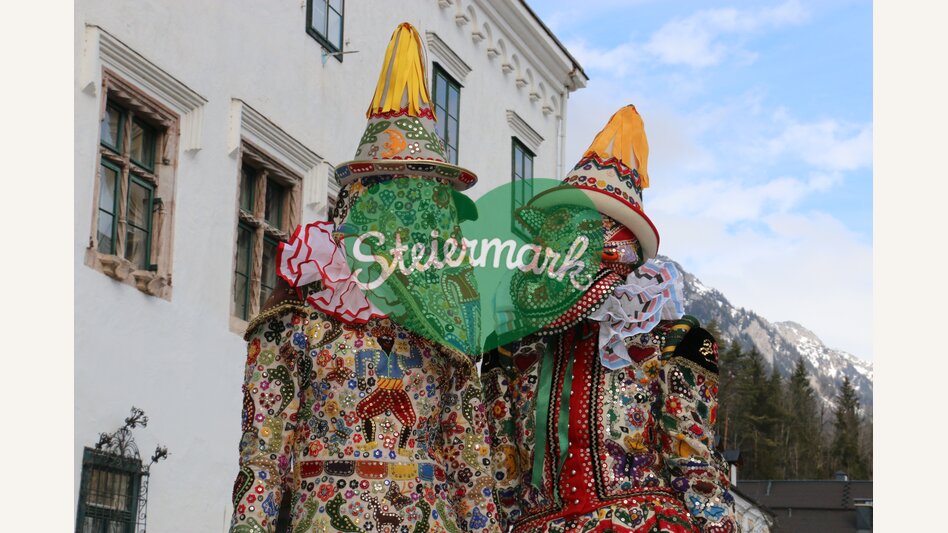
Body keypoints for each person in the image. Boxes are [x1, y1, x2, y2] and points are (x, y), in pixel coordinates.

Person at [229, 23, 498, 533]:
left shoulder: (447, 331)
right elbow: (263, 458)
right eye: (395, 198)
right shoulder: (299, 316)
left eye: (425, 203)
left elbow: (473, 469)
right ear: (358, 202)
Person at [481, 105, 738, 533]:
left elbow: (693, 466)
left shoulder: (675, 342)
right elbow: (501, 477)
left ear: (620, 248)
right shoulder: (511, 349)